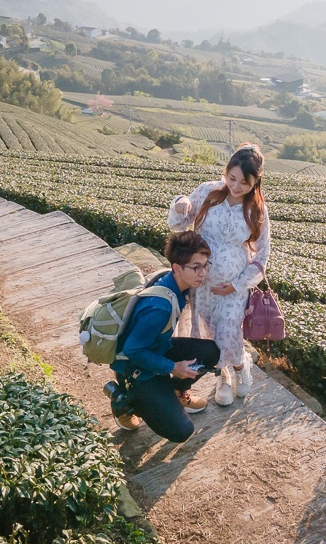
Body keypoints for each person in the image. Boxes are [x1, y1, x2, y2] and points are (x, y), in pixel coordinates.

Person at [168, 143, 271, 406]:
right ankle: (223, 374)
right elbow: (181, 220)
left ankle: (239, 367)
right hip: (200, 282)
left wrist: (237, 285)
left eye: (243, 183)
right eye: (231, 178)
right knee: (208, 335)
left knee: (227, 333)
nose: (235, 186)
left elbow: (261, 256)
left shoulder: (256, 210)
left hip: (232, 286)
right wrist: (180, 203)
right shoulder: (208, 191)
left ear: (255, 183)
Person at [107, 230, 221, 442]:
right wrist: (173, 368)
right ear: (177, 268)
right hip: (135, 367)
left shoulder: (171, 282)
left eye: (205, 265)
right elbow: (133, 350)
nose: (203, 273)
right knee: (181, 431)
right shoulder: (160, 307)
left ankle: (177, 392)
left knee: (210, 351)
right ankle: (125, 400)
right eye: (196, 267)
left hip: (157, 348)